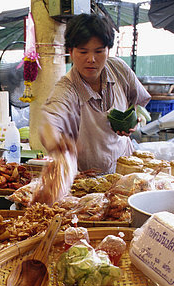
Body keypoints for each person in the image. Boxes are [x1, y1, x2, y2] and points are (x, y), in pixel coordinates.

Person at [40, 13, 150, 174]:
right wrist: (57, 143)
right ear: (71, 52)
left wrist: (133, 121)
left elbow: (138, 102)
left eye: (98, 51)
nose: (91, 59)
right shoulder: (66, 89)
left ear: (108, 50)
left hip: (126, 171)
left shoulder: (119, 69)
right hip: (88, 181)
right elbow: (49, 125)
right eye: (83, 52)